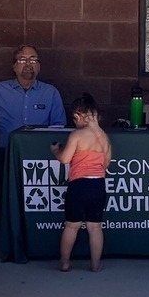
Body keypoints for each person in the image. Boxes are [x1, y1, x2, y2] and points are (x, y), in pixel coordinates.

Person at [0, 44, 66, 236]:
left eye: (33, 59)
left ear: (39, 66)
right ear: (14, 66)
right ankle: (4, 220)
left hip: (39, 154)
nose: (28, 64)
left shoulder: (51, 93)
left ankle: (41, 225)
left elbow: (60, 127)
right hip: (5, 151)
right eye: (23, 60)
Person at [50, 93, 111, 272]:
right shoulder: (105, 138)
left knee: (72, 225)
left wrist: (56, 151)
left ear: (77, 116)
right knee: (95, 227)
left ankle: (65, 262)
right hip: (98, 186)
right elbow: (106, 164)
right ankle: (95, 264)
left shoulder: (77, 135)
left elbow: (65, 159)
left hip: (78, 186)